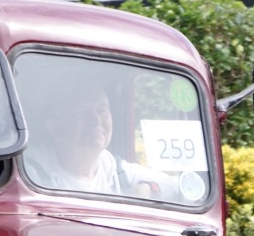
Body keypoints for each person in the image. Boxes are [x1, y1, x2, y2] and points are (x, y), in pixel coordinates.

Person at [24, 85, 177, 200]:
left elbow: (175, 186)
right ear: (55, 126)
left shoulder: (117, 171)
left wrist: (148, 188)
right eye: (83, 113)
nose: (96, 120)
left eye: (102, 111)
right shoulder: (30, 173)